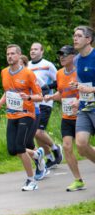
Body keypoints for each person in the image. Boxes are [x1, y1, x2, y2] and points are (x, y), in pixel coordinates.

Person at [0, 44, 44, 191]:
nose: (9, 56)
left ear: (19, 55)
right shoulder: (4, 72)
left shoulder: (28, 74)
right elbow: (7, 92)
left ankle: (31, 180)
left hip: (26, 114)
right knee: (12, 150)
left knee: (20, 148)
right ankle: (36, 155)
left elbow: (40, 97)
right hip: (12, 114)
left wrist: (28, 96)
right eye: (7, 54)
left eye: (12, 54)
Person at [44, 45, 85, 191]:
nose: (61, 57)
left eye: (65, 54)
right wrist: (51, 96)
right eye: (60, 55)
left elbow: (88, 90)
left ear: (73, 56)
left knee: (82, 149)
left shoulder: (80, 71)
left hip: (83, 114)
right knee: (67, 147)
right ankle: (78, 180)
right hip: (67, 116)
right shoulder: (60, 74)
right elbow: (62, 94)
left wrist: (79, 101)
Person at [28, 42, 63, 169]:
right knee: (35, 134)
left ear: (42, 51)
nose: (33, 51)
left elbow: (59, 81)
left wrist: (47, 88)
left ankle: (55, 148)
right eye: (31, 49)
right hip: (33, 103)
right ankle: (50, 158)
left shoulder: (48, 65)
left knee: (38, 132)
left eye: (36, 49)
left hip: (45, 101)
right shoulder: (27, 66)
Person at [19, 55, 49, 181]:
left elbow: (45, 89)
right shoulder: (13, 76)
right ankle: (41, 163)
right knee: (27, 143)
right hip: (18, 113)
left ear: (25, 64)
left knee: (23, 144)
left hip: (33, 112)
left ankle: (40, 165)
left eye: (19, 64)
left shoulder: (31, 75)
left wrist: (32, 97)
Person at [71, 25, 95, 163]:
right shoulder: (76, 59)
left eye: (79, 36)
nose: (75, 38)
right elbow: (81, 82)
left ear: (88, 39)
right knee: (80, 145)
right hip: (85, 106)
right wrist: (78, 98)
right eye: (74, 35)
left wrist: (92, 90)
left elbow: (88, 88)